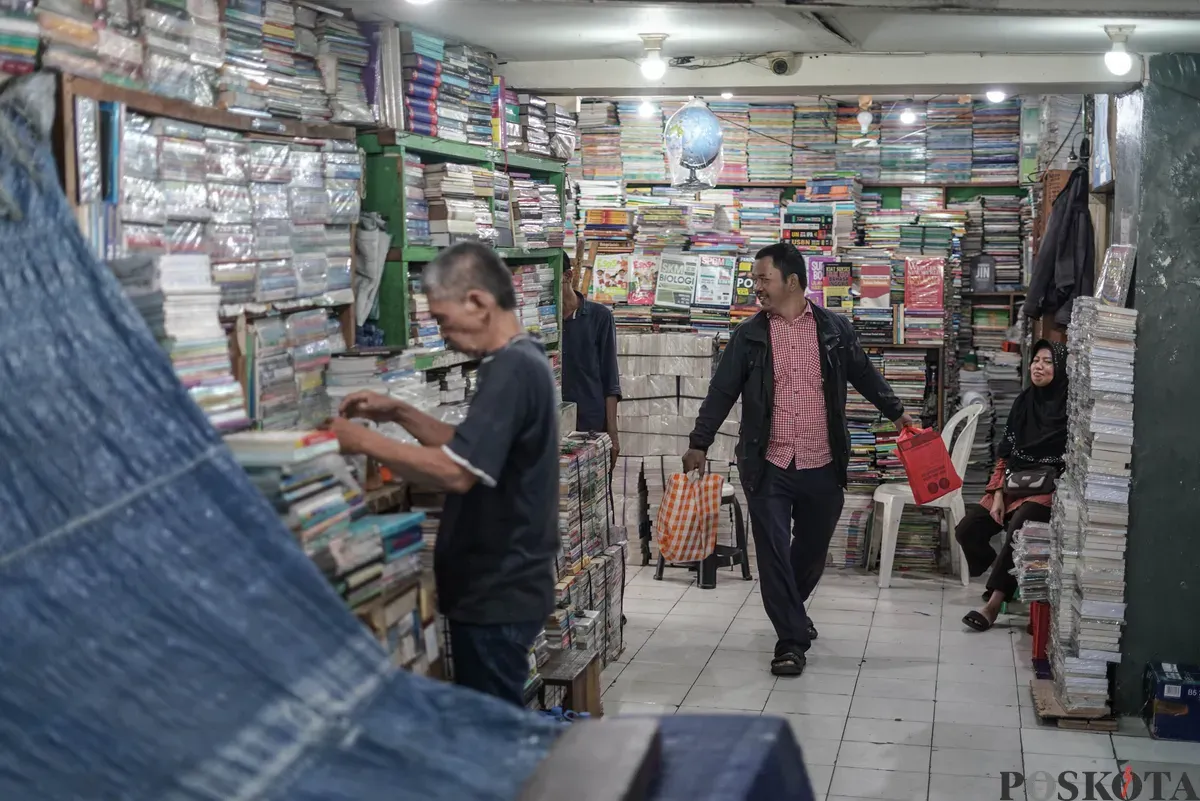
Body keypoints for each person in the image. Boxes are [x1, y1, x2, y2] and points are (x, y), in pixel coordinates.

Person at [323, 242, 559, 706]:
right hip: (503, 587)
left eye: (443, 320)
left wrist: (361, 441)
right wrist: (400, 412)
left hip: (498, 590)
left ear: (478, 302)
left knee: (488, 726)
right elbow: (471, 448)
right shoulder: (520, 358)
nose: (444, 334)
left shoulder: (512, 368)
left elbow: (456, 472)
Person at [683, 242, 914, 676]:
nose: (756, 287)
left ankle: (792, 610)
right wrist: (700, 441)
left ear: (792, 282)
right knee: (773, 551)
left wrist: (897, 412)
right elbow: (722, 391)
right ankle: (790, 641)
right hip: (768, 463)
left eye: (763, 279)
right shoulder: (749, 336)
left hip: (822, 461)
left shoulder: (834, 330)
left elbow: (864, 373)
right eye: (754, 279)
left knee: (811, 551)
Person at [957, 340, 1068, 632]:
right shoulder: (1023, 402)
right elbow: (1005, 453)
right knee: (968, 529)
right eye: (1036, 360)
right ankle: (1006, 573)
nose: (1039, 367)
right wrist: (996, 494)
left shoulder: (1069, 409)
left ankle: (993, 604)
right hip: (1013, 484)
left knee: (1021, 525)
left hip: (1047, 490)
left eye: (1047, 362)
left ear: (1060, 368)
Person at [560, 253, 621, 468]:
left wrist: (613, 435)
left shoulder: (599, 317)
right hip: (551, 428)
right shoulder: (543, 324)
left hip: (590, 427)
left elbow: (610, 378)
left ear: (568, 276)